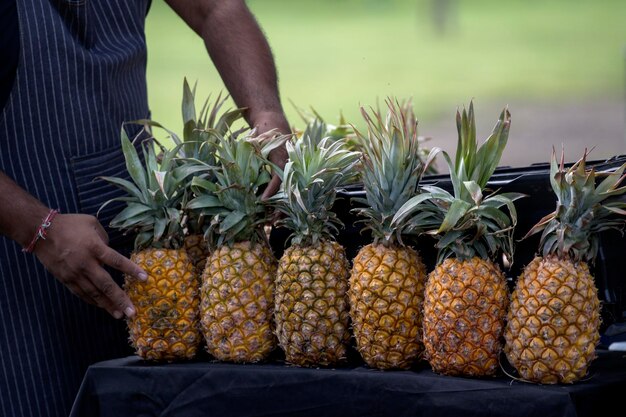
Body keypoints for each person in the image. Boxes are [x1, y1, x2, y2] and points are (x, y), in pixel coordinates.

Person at [0, 1, 290, 416]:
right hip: (20, 262)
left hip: (140, 238)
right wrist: (35, 226)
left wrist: (265, 111)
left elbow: (217, 9)